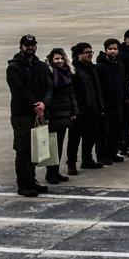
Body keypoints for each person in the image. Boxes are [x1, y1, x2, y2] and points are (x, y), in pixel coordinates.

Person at [7, 35, 51, 196]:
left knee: (35, 150)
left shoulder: (40, 66)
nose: (30, 47)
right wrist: (35, 105)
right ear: (21, 47)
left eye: (32, 45)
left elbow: (49, 87)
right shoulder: (14, 67)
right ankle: (23, 184)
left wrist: (44, 103)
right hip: (22, 115)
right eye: (27, 45)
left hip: (38, 112)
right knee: (22, 149)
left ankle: (32, 180)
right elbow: (19, 91)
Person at [68, 42, 105, 170]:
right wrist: (75, 109)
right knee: (75, 139)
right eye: (87, 52)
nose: (90, 54)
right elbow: (72, 92)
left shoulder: (92, 68)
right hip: (80, 111)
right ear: (79, 55)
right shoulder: (74, 70)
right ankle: (71, 164)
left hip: (93, 109)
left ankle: (87, 160)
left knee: (90, 137)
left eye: (91, 52)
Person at [42, 48, 76, 185]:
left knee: (59, 145)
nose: (60, 61)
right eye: (56, 58)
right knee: (52, 146)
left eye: (61, 58)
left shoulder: (68, 73)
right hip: (53, 114)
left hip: (64, 113)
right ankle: (50, 173)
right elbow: (47, 94)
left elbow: (71, 94)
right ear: (51, 60)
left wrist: (74, 111)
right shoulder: (49, 73)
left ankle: (55, 172)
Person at [95, 38, 128, 164]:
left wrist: (125, 96)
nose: (113, 51)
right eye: (110, 49)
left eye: (115, 49)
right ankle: (102, 156)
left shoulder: (120, 65)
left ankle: (112, 153)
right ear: (106, 50)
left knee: (116, 130)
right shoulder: (100, 67)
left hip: (117, 103)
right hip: (106, 104)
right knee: (104, 132)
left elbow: (123, 82)